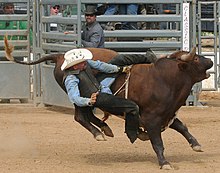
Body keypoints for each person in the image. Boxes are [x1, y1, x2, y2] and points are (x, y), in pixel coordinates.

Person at [61, 48, 141, 143]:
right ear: (75, 67)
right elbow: (74, 98)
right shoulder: (71, 79)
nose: (85, 62)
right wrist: (89, 101)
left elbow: (101, 66)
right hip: (99, 98)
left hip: (102, 89)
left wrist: (119, 69)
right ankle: (132, 132)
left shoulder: (85, 65)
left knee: (120, 60)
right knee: (132, 107)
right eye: (81, 62)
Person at [0, 2, 31, 103]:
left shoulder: (20, 21)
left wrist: (29, 46)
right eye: (8, 8)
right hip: (3, 52)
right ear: (3, 9)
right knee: (4, 74)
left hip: (17, 52)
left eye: (12, 8)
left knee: (18, 74)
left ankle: (22, 96)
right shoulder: (1, 21)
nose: (10, 10)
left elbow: (28, 34)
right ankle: (5, 96)